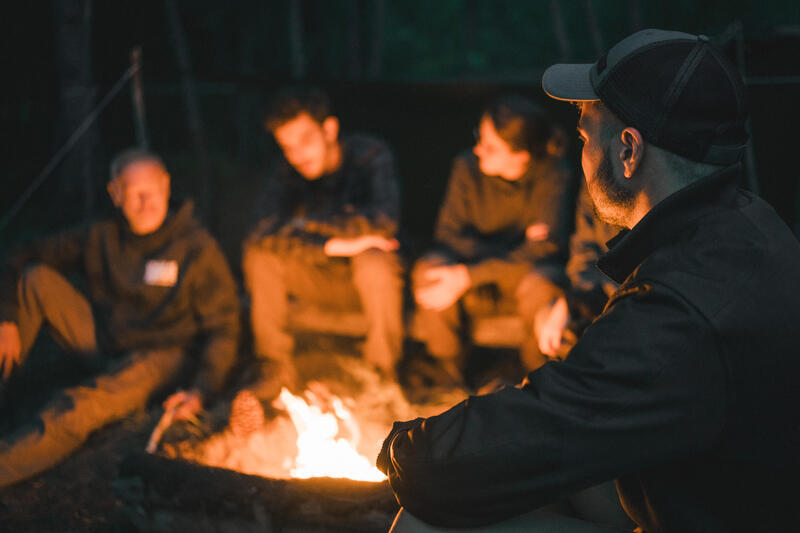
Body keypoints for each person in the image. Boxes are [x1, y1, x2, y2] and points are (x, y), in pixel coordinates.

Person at [377, 29, 800, 532]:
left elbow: (548, 421)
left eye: (583, 136)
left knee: (421, 523)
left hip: (704, 514)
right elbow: (577, 403)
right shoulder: (751, 224)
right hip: (705, 485)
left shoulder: (677, 302)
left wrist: (406, 450)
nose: (579, 154)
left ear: (628, 151)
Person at [0, 148, 240, 488]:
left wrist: (202, 388)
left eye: (152, 190)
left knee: (77, 407)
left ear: (166, 186)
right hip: (105, 340)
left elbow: (224, 328)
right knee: (35, 279)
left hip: (163, 356)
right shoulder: (102, 234)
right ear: (114, 193)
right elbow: (22, 254)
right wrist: (7, 320)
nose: (145, 202)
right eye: (133, 192)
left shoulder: (195, 247)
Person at [243, 87, 403, 393]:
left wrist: (302, 225)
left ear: (329, 129)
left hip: (364, 285)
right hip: (314, 277)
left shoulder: (369, 156)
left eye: (304, 141)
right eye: (287, 147)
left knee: (374, 259)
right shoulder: (287, 171)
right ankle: (275, 371)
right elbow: (261, 232)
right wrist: (334, 245)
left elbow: (383, 222)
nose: (297, 155)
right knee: (259, 256)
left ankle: (380, 380)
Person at [412, 94, 575, 382]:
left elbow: (546, 250)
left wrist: (471, 272)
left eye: (489, 146)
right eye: (479, 138)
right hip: (482, 276)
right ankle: (448, 372)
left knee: (543, 283)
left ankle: (536, 380)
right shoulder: (466, 167)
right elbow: (447, 233)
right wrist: (513, 251)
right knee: (430, 270)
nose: (477, 149)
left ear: (521, 155)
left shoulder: (552, 174)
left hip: (519, 283)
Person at [534, 183, 621, 358]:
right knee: (547, 321)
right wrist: (572, 299)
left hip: (627, 295)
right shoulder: (596, 174)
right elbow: (584, 246)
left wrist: (576, 301)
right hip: (595, 290)